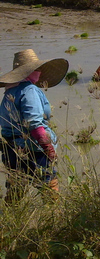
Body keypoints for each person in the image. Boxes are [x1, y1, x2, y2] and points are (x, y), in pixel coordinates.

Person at [0, 49, 68, 202]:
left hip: (11, 150)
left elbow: (5, 126)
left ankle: (11, 220)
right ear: (28, 72)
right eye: (36, 69)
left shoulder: (8, 94)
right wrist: (47, 147)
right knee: (49, 186)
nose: (38, 72)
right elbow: (34, 123)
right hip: (33, 149)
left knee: (16, 187)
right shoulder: (29, 90)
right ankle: (53, 219)